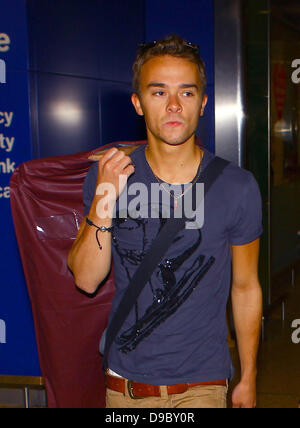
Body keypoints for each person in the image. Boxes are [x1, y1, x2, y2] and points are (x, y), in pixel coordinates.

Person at [67, 34, 263, 408]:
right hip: (125, 387)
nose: (174, 105)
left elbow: (245, 287)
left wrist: (249, 376)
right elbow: (86, 279)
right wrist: (105, 195)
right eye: (159, 93)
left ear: (203, 103)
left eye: (186, 93)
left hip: (202, 384)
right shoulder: (109, 175)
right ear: (137, 104)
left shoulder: (237, 186)